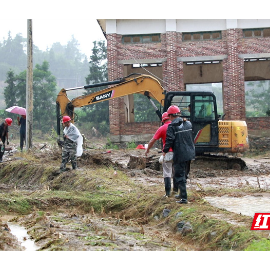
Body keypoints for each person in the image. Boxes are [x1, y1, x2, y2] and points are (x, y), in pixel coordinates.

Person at [163, 105, 195, 204]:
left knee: (179, 175)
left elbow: (169, 140)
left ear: (170, 116)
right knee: (185, 174)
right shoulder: (188, 123)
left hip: (180, 153)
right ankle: (181, 194)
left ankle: (184, 198)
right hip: (190, 152)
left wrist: (165, 150)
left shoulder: (172, 126)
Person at [145, 112, 175, 197]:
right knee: (176, 172)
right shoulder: (176, 127)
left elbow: (152, 141)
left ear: (163, 120)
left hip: (167, 153)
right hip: (178, 152)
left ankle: (168, 193)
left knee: (167, 173)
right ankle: (177, 192)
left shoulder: (162, 128)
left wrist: (147, 150)